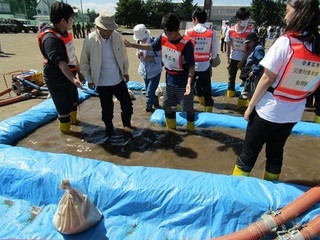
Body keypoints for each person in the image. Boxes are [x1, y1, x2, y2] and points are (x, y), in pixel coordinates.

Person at [232, 0, 320, 181]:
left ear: (298, 14)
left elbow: (266, 79)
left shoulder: (286, 42)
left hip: (269, 111)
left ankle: (235, 190)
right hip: (294, 112)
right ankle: (271, 193)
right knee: (275, 151)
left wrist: (250, 106)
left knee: (249, 152)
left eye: (287, 11)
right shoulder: (317, 46)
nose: (285, 16)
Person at [125, 13, 195, 132]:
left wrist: (189, 83)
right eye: (166, 32)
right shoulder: (163, 37)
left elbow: (192, 66)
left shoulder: (186, 44)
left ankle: (191, 132)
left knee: (187, 109)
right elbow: (151, 46)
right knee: (167, 107)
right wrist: (132, 45)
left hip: (184, 83)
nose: (169, 36)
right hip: (170, 81)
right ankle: (172, 132)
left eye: (171, 33)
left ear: (178, 29)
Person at [80, 12, 133, 136]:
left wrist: (125, 72)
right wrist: (90, 79)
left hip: (118, 79)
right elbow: (84, 62)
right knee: (107, 110)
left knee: (127, 105)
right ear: (98, 28)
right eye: (106, 30)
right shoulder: (90, 39)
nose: (109, 32)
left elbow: (124, 57)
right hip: (102, 83)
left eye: (111, 30)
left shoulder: (117, 37)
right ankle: (109, 130)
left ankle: (127, 127)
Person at [38, 2, 86, 133]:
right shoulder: (50, 39)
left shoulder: (64, 33)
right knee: (64, 110)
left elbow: (71, 54)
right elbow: (61, 63)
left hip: (70, 76)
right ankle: (67, 136)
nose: (72, 21)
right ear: (63, 20)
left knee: (74, 104)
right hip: (57, 79)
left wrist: (79, 72)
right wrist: (73, 79)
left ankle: (75, 123)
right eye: (71, 19)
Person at [186, 7, 219, 112]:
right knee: (207, 88)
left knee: (189, 87)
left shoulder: (189, 32)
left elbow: (185, 49)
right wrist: (212, 58)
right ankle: (208, 109)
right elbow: (214, 51)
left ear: (195, 18)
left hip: (191, 66)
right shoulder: (212, 32)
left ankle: (187, 108)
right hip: (205, 64)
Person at [132, 24, 162, 112]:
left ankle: (148, 110)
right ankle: (156, 102)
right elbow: (137, 53)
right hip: (144, 71)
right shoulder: (138, 42)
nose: (141, 40)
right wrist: (138, 54)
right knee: (150, 90)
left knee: (149, 92)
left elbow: (163, 57)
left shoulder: (155, 42)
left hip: (154, 71)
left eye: (142, 38)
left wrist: (151, 58)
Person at [225, 7, 252, 97]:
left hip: (245, 59)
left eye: (247, 18)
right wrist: (227, 61)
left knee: (246, 79)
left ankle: (243, 98)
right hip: (233, 57)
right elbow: (228, 46)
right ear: (237, 19)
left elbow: (250, 49)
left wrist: (242, 61)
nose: (245, 21)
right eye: (243, 19)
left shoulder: (250, 31)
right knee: (231, 79)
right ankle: (230, 96)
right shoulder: (230, 30)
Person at [237, 32, 265, 106]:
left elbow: (262, 62)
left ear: (253, 41)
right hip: (252, 75)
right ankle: (249, 107)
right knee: (252, 92)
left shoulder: (258, 49)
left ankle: (240, 110)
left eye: (248, 43)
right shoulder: (255, 47)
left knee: (245, 93)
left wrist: (254, 72)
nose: (247, 45)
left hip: (254, 75)